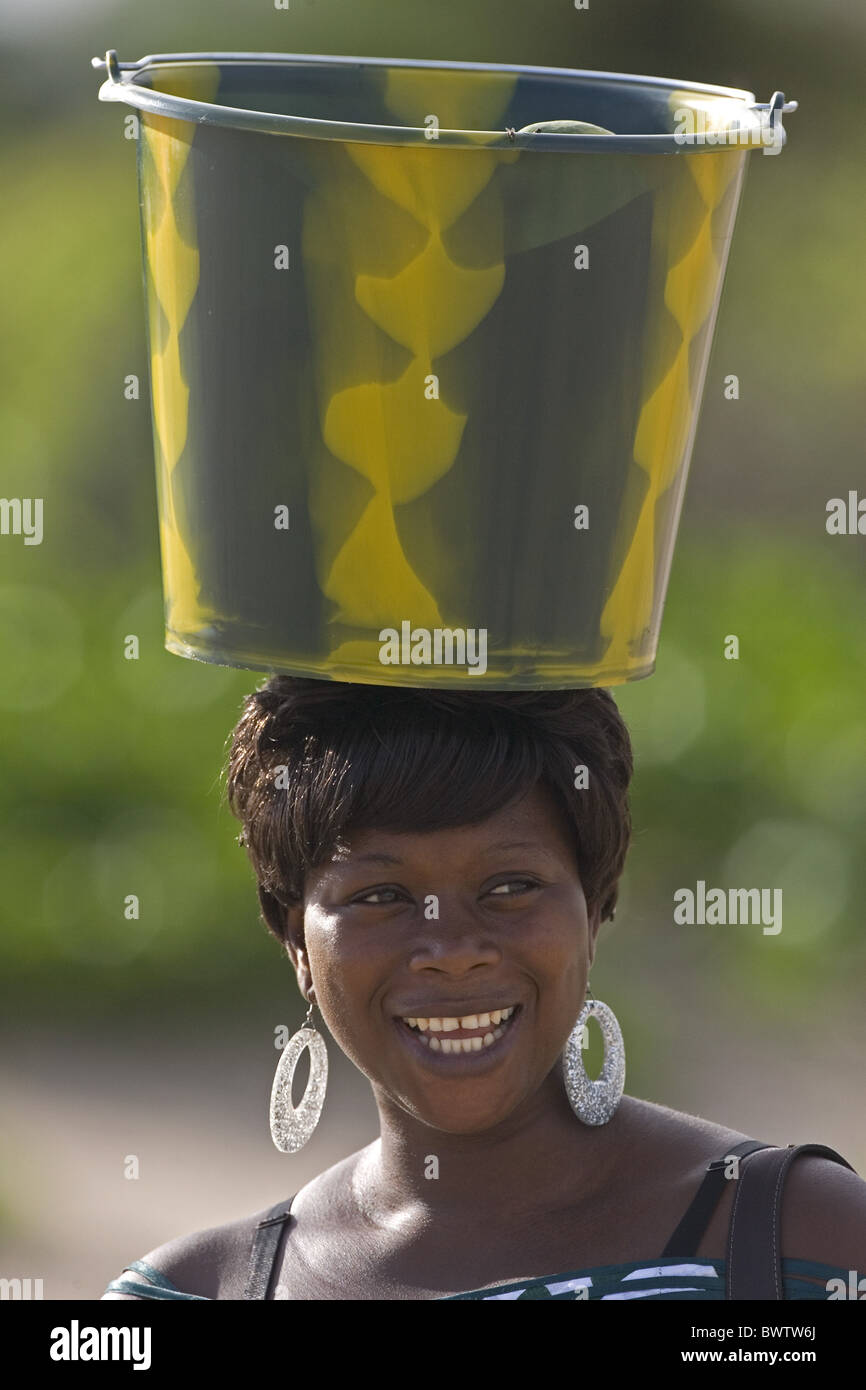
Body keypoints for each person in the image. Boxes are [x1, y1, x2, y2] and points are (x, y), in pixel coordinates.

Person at [102, 677, 866, 1300]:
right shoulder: (192, 1295)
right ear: (293, 935)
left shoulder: (798, 1242)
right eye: (381, 896)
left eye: (510, 886)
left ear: (596, 908)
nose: (453, 952)